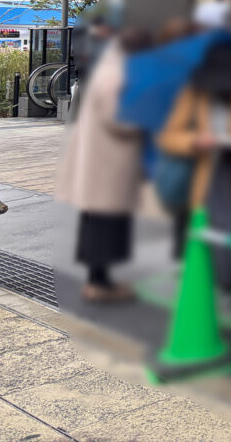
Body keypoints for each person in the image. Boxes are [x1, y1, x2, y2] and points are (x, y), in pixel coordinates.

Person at [157, 39, 231, 331]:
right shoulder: (195, 91)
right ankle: (221, 295)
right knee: (216, 242)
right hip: (211, 175)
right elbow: (169, 136)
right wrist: (195, 140)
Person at [55, 25, 150, 302]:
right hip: (107, 164)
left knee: (99, 220)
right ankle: (99, 283)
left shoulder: (107, 70)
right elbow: (118, 119)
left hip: (101, 160)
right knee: (104, 222)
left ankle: (100, 280)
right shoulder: (114, 75)